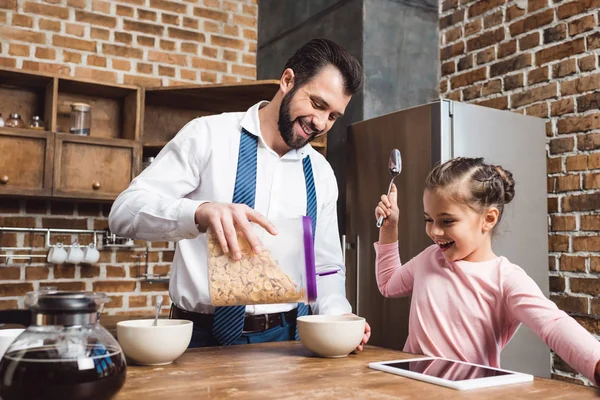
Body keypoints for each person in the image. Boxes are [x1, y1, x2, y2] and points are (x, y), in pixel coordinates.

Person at [109, 38, 371, 349]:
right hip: (199, 338)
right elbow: (123, 213)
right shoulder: (207, 135)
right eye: (317, 104)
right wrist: (199, 212)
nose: (320, 123)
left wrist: (338, 317)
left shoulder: (321, 173)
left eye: (332, 116)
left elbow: (325, 265)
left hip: (289, 342)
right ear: (288, 81)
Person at [374, 157, 600, 384]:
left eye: (447, 221)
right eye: (428, 219)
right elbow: (388, 284)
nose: (434, 231)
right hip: (412, 390)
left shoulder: (505, 279)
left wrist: (596, 363)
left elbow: (553, 324)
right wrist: (390, 228)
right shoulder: (428, 259)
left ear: (488, 219)